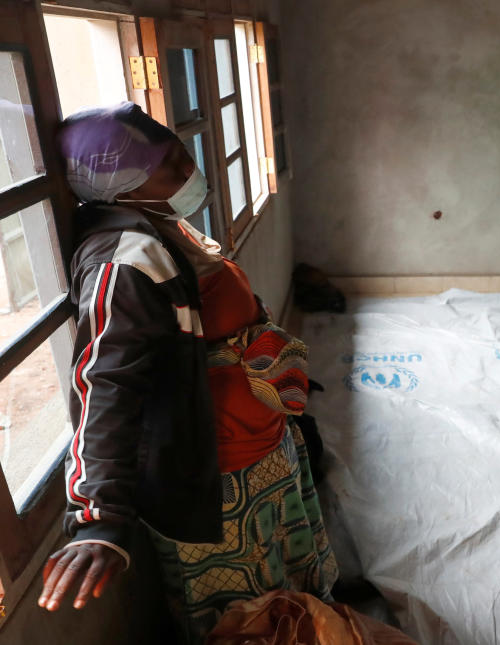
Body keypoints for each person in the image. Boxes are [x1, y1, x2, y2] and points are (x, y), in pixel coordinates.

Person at [37, 102, 338, 643]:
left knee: (289, 580)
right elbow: (106, 383)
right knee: (246, 616)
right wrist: (97, 516)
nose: (189, 167)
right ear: (122, 182)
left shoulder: (159, 224)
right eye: (171, 161)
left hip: (260, 446)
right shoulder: (122, 263)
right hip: (218, 476)